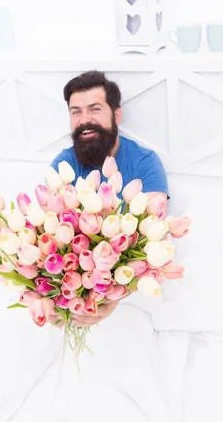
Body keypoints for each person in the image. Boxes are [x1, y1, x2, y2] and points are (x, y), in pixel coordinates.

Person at [50, 69, 169, 326]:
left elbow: (157, 239)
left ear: (116, 114)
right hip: (76, 289)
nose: (85, 120)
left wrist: (113, 296)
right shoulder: (63, 165)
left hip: (129, 287)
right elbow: (50, 237)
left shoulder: (146, 163)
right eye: (76, 112)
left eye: (94, 109)